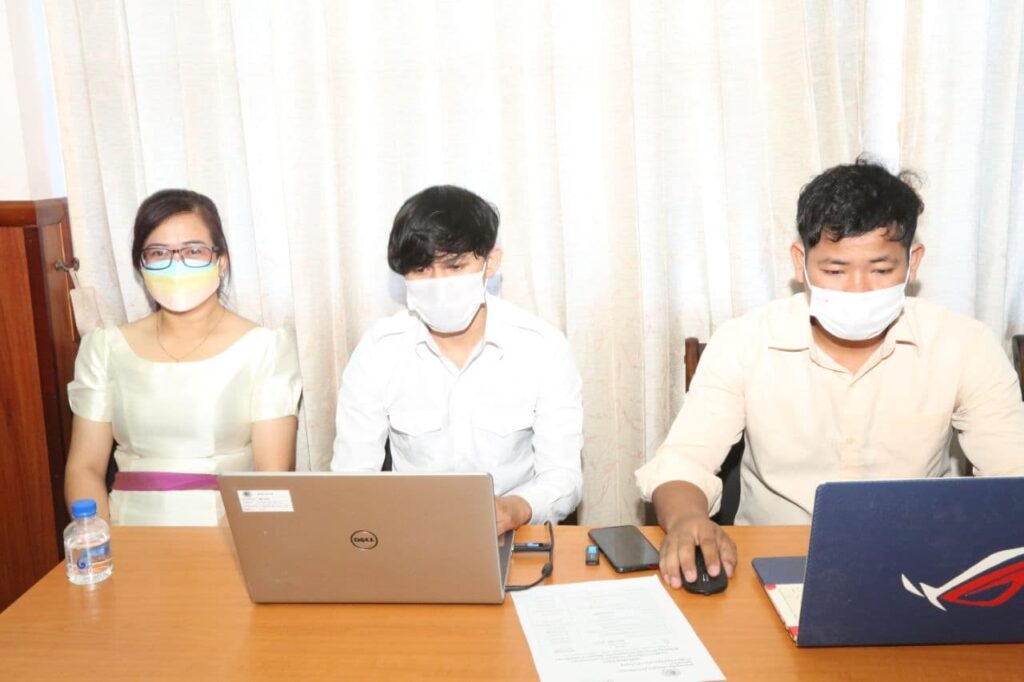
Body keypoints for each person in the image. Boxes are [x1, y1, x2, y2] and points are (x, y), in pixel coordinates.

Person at [636, 159, 1024, 589]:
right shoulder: (745, 341)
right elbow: (684, 461)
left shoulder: (964, 345)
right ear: (800, 262)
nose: (858, 289)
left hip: (919, 567)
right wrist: (687, 521)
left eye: (881, 270)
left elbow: (1013, 474)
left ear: (913, 263)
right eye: (835, 270)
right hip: (771, 564)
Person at [331, 185, 583, 534]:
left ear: (490, 263)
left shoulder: (542, 348)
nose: (438, 284)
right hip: (410, 533)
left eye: (454, 266)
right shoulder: (380, 350)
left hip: (516, 532)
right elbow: (352, 478)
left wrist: (515, 509)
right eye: (421, 269)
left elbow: (563, 477)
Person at [64, 189, 302, 526]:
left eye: (193, 250)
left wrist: (229, 545)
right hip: (125, 532)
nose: (176, 264)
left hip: (231, 531)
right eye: (159, 253)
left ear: (221, 261)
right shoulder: (104, 348)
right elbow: (84, 467)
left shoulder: (266, 348)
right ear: (141, 265)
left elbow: (271, 474)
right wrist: (100, 539)